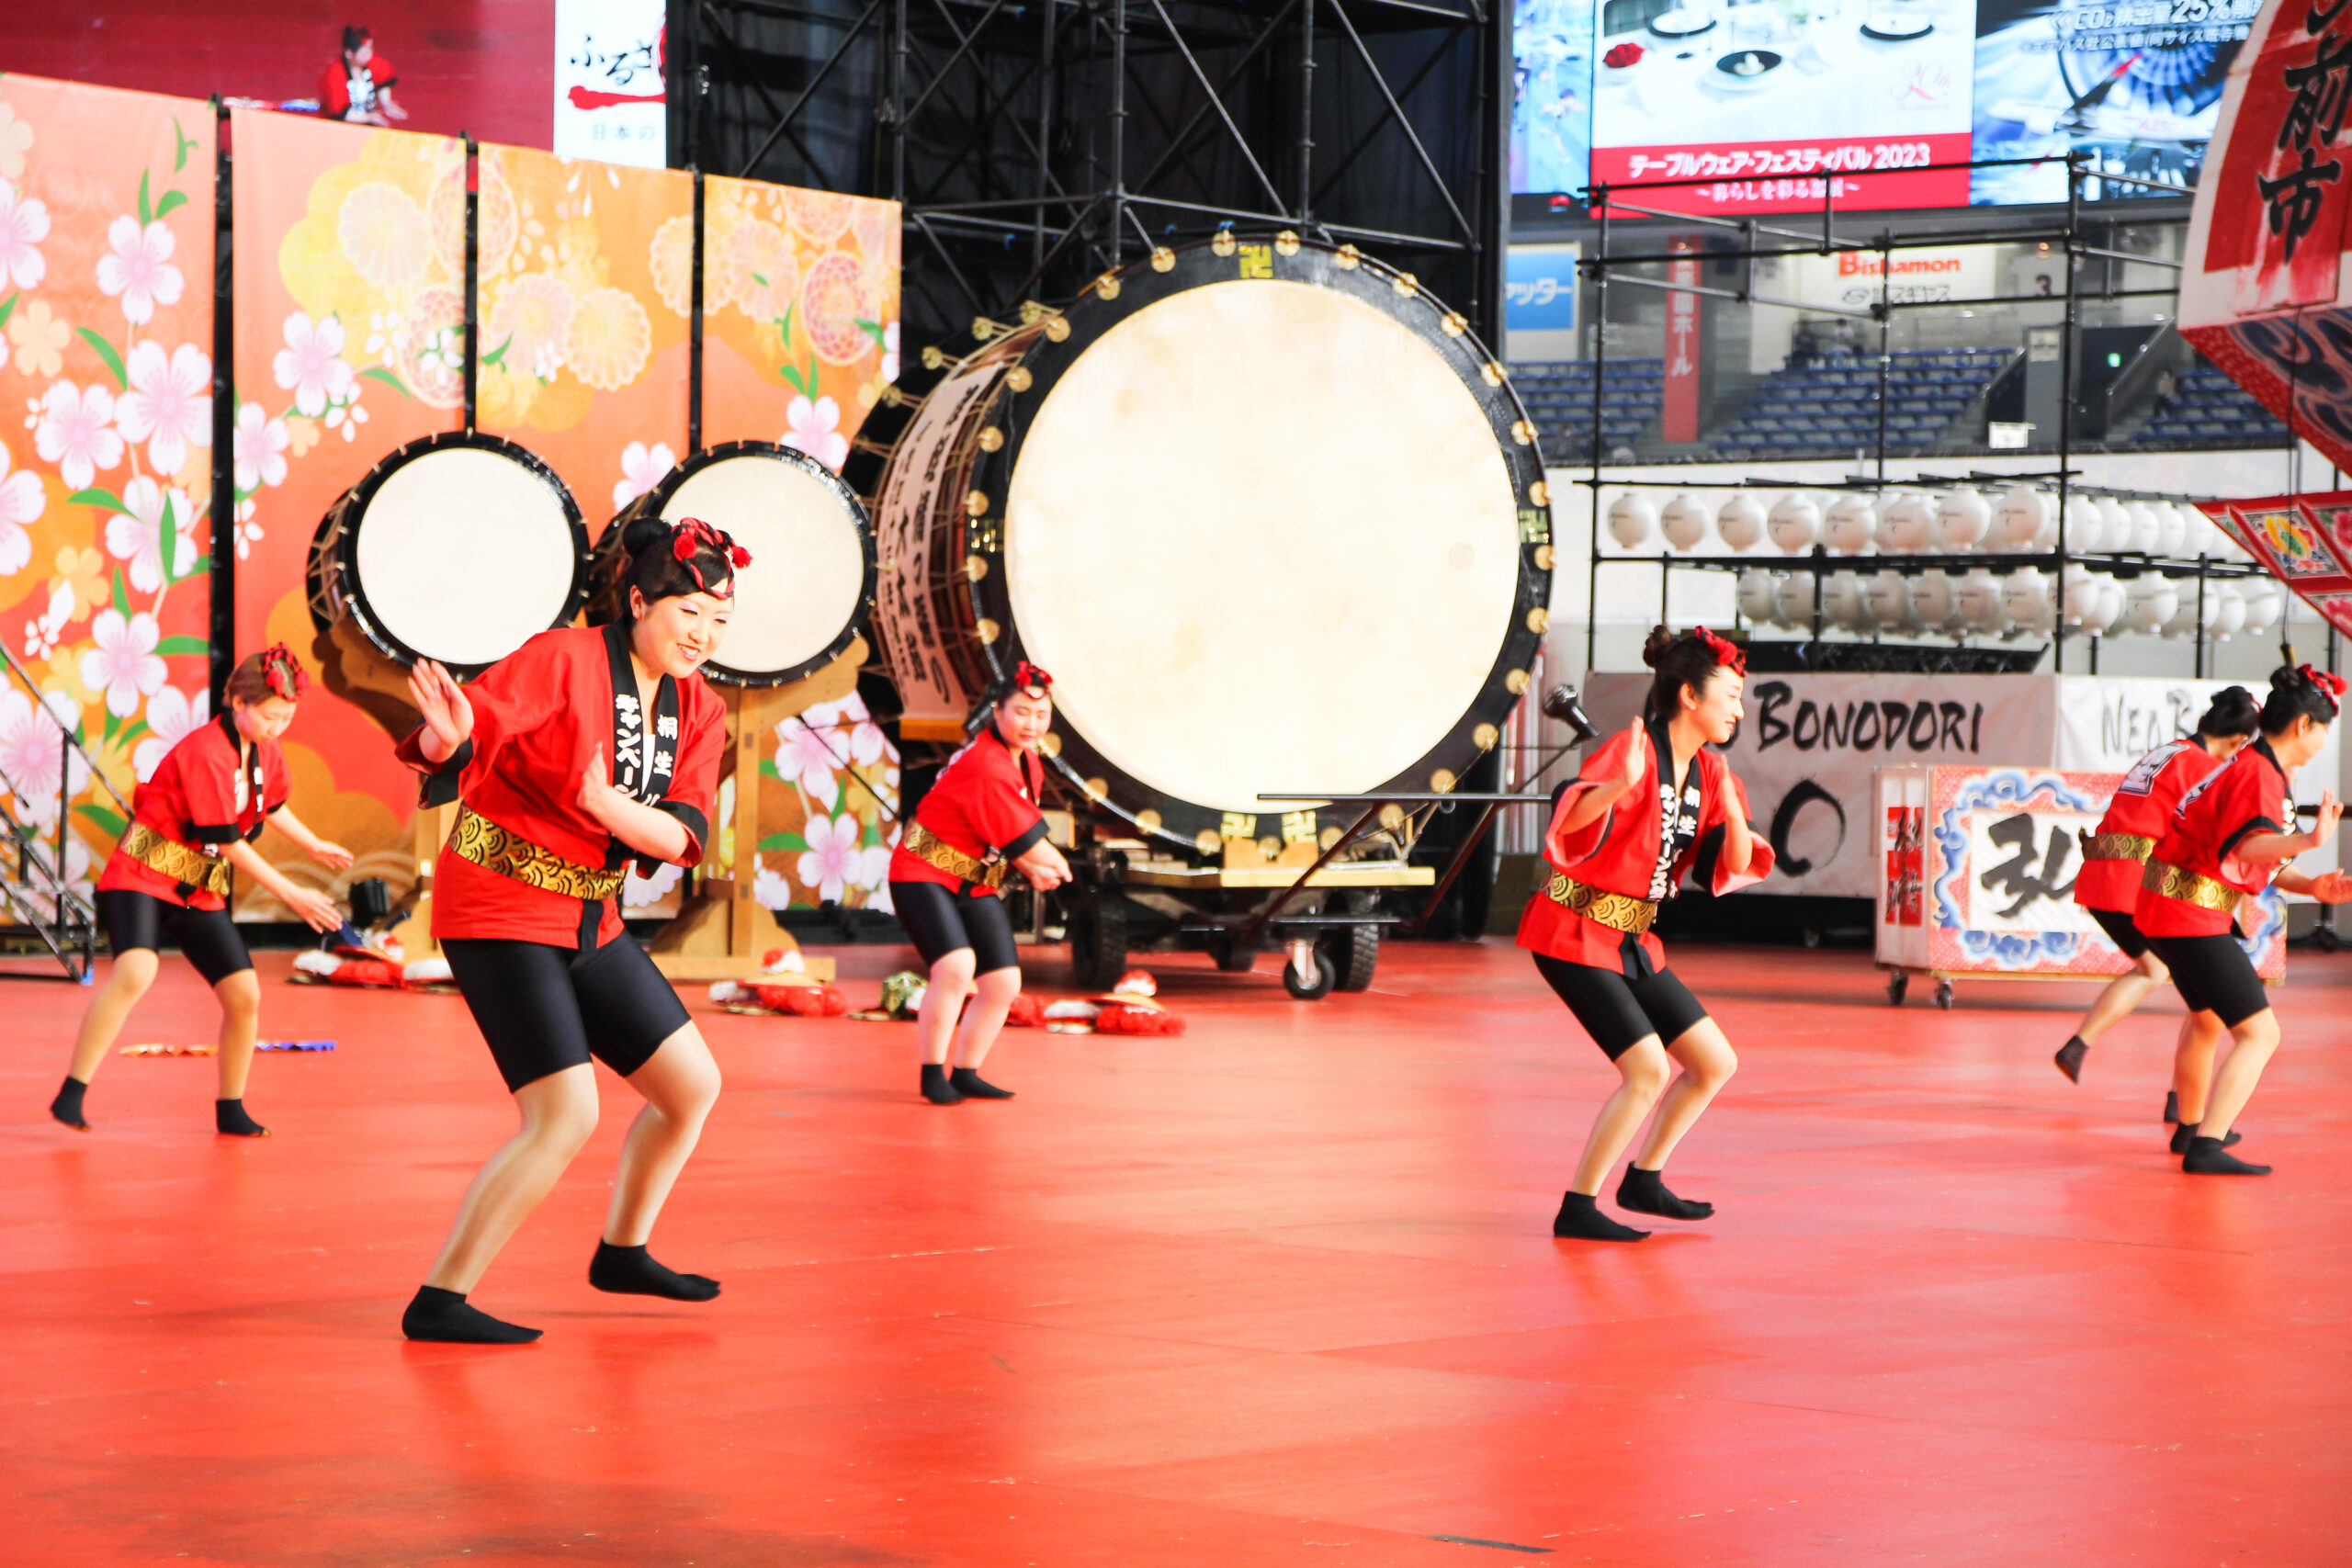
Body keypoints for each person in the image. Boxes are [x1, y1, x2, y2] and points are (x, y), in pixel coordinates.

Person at [393, 516, 739, 1344]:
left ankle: (623, 1250)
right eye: (688, 612)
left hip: (592, 913)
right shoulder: (564, 657)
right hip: (500, 903)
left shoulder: (702, 707)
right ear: (637, 599)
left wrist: (611, 809)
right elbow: (477, 724)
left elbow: (680, 837)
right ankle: (441, 1297)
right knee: (564, 1114)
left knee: (692, 1087)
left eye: (719, 621)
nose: (702, 635)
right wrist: (452, 733)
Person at [1519, 626, 1773, 1241]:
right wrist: (1615, 786)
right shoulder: (1631, 749)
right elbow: (1570, 821)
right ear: (1690, 696)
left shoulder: (1712, 773)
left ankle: (1643, 1178)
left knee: (1715, 1063)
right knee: (1647, 1070)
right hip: (1572, 930)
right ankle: (1578, 1206)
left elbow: (1736, 860)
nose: (1739, 708)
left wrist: (1735, 810)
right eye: (1732, 694)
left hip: (1632, 939)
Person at [50, 647, 350, 1136]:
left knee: (244, 995)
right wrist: (291, 894)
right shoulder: (205, 751)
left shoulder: (266, 750)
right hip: (144, 873)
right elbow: (227, 840)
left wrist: (313, 844)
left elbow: (270, 805)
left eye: (287, 718)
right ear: (237, 702)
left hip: (199, 887)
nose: (279, 727)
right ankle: (72, 1091)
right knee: (136, 971)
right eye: (271, 716)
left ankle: (231, 1108)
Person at [2134, 664, 2352, 1174]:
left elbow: (2252, 855)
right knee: (2261, 1034)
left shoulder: (2253, 765)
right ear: (2303, 726)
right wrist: (2309, 841)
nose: (2322, 742)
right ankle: (2207, 1145)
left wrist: (2311, 884)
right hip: (2189, 912)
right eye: (2323, 731)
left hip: (2169, 904)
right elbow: (2249, 845)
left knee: (2207, 1018)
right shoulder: (2259, 774)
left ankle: (2191, 1129)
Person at [2054, 687, 2260, 1122]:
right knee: (2181, 985)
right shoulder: (2204, 769)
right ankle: (2095, 1052)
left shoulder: (2167, 751)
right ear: (2240, 742)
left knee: (2185, 987)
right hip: (2138, 880)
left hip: (2101, 871)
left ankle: (2173, 1096)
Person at [886, 660, 1072, 1105]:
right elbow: (1031, 840)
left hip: (974, 879)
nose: (1032, 724)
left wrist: (1030, 867)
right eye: (1022, 713)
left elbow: (1002, 834)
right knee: (955, 968)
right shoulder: (986, 764)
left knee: (1004, 983)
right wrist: (1062, 868)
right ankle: (933, 1074)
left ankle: (967, 1071)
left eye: (1041, 715)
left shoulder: (1027, 761)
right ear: (998, 713)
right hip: (922, 872)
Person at [318, 26, 407, 128]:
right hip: (341, 127)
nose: (369, 55)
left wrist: (387, 103)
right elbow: (338, 112)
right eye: (364, 53)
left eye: (370, 50)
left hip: (368, 121)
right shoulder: (334, 76)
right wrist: (368, 118)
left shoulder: (373, 62)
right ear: (349, 54)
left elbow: (383, 82)